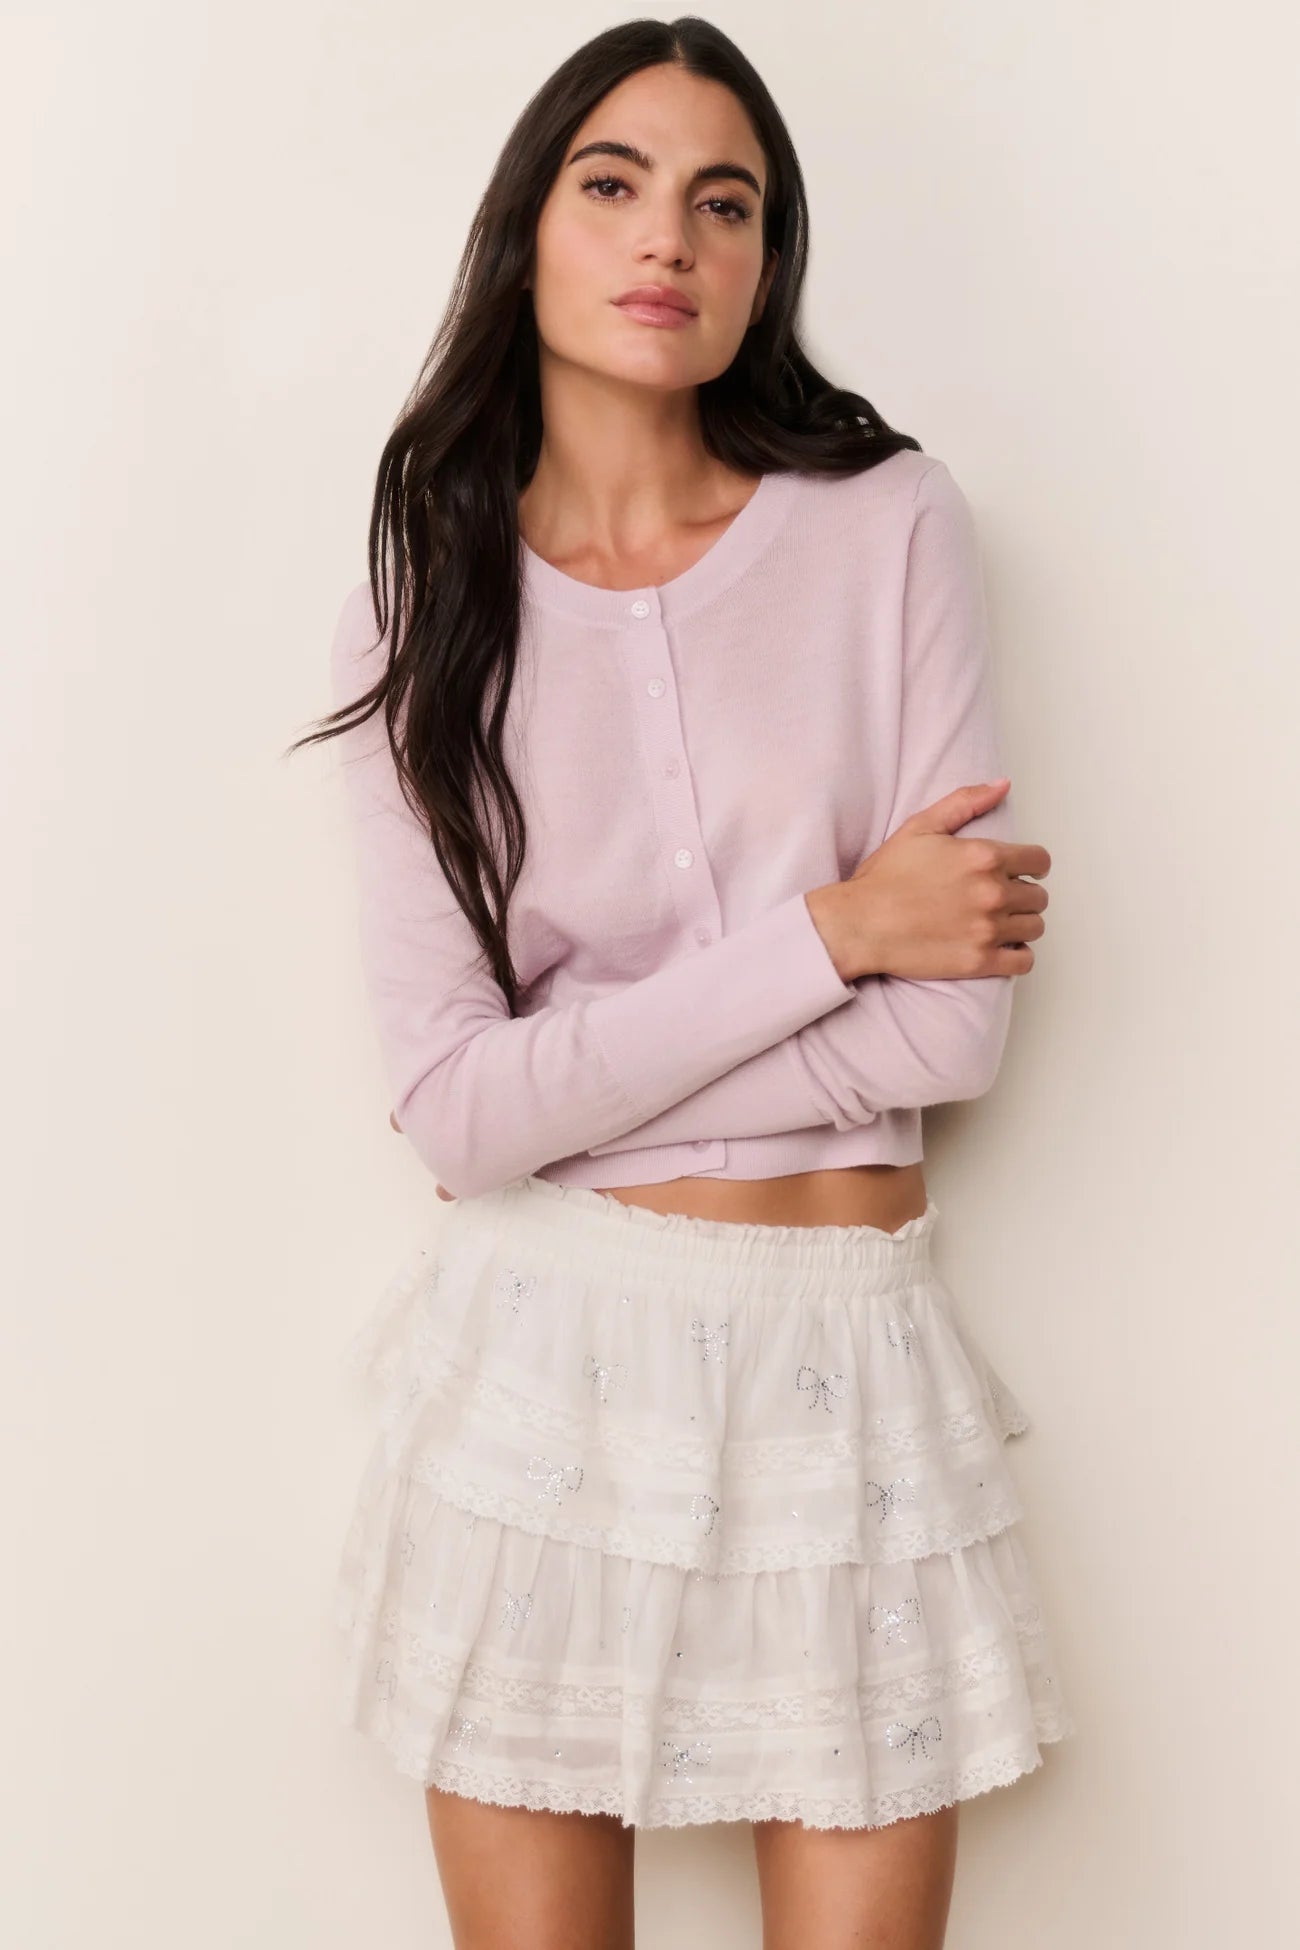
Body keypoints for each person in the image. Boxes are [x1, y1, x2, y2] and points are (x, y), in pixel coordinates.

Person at [293, 18, 1075, 1948]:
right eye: (615, 184)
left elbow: (952, 1028)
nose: (671, 238)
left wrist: (579, 1076)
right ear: (527, 237)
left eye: (728, 204)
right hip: (545, 1383)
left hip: (851, 1383)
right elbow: (456, 1115)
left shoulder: (891, 523)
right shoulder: (429, 602)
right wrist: (834, 932)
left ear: (767, 261)